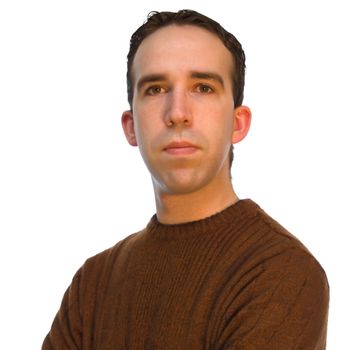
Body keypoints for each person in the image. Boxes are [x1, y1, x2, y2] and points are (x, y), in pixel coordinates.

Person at [42, 9, 329, 349]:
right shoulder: (92, 283)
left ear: (237, 123)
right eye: (156, 88)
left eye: (203, 87)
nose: (177, 113)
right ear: (131, 126)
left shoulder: (282, 271)